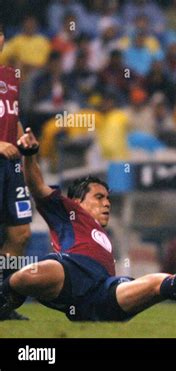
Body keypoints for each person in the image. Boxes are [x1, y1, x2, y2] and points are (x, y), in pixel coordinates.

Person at [0, 128, 176, 322]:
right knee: (30, 273)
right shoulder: (68, 211)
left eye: (108, 199)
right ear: (77, 201)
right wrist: (31, 155)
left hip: (101, 294)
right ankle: (6, 299)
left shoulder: (102, 234)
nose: (107, 203)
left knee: (157, 283)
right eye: (99, 197)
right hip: (68, 274)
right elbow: (37, 186)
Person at [0, 23, 32, 320]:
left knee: (20, 234)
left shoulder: (10, 76)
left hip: (11, 165)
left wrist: (22, 139)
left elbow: (13, 116)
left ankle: (2, 302)